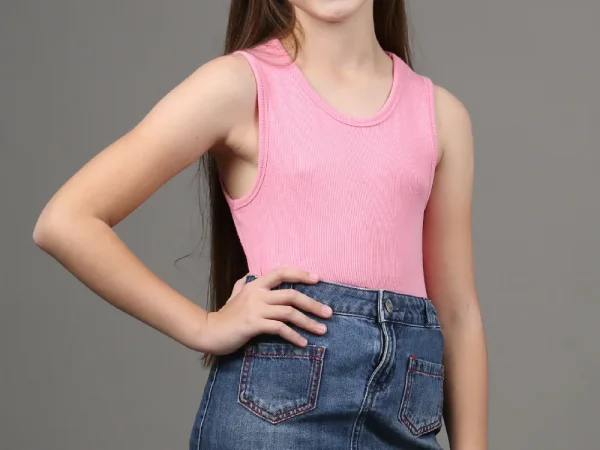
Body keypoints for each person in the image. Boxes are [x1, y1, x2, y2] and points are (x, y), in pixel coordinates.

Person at [33, 1, 488, 449]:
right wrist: (202, 326)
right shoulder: (241, 86)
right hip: (274, 420)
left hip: (405, 419)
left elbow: (457, 312)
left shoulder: (441, 116)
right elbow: (66, 221)